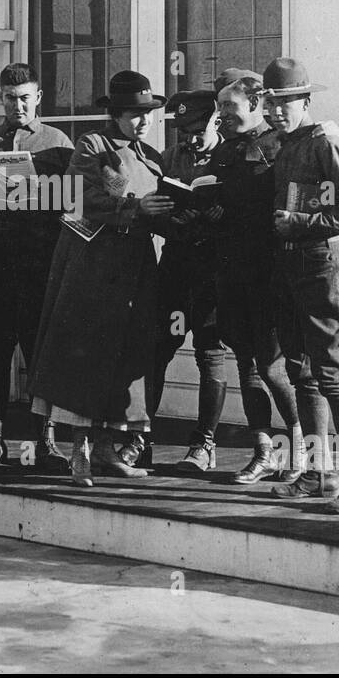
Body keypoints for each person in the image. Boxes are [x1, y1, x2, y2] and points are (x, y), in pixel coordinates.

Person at [28, 70, 175, 487]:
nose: (142, 122)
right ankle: (79, 453)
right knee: (87, 355)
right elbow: (78, 196)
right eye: (133, 114)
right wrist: (133, 207)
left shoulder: (152, 156)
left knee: (127, 353)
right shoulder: (93, 146)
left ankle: (110, 447)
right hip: (94, 266)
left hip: (137, 267)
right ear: (115, 113)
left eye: (147, 114)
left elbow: (158, 207)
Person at [261, 58, 339, 514]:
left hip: (319, 269)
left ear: (306, 101)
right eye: (273, 103)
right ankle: (318, 472)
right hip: (288, 270)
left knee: (330, 374)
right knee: (300, 371)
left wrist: (300, 222)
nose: (279, 111)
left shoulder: (324, 141)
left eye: (288, 103)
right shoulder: (286, 145)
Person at [0, 63, 75, 473]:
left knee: (39, 357)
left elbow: (72, 202)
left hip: (38, 266)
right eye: (10, 98)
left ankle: (44, 442)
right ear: (0, 98)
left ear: (39, 97)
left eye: (25, 97)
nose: (18, 105)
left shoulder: (58, 142)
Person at [207, 72, 304, 485]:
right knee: (246, 364)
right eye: (220, 107)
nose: (222, 115)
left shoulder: (281, 146)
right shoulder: (224, 151)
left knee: (272, 366)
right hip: (231, 273)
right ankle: (263, 451)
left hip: (269, 274)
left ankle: (300, 451)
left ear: (255, 104)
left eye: (229, 107)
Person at [144, 89, 230, 474]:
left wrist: (218, 217)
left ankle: (203, 445)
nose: (190, 139)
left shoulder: (230, 158)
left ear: (215, 120)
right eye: (183, 132)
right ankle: (140, 438)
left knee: (209, 352)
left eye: (197, 130)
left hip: (212, 270)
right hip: (176, 266)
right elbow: (157, 209)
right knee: (160, 346)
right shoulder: (170, 158)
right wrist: (168, 220)